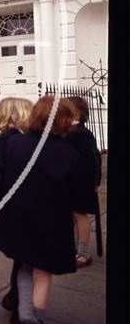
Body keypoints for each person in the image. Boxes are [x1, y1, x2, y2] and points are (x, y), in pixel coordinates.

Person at [0, 96, 92, 324]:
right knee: (42, 275)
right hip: (50, 223)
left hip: (18, 219)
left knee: (25, 266)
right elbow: (81, 197)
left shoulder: (15, 144)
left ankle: (27, 319)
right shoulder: (69, 153)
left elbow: (3, 179)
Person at [0, 97, 33, 324]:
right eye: (28, 113)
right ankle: (18, 308)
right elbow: (5, 181)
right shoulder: (12, 144)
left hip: (9, 206)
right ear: (15, 117)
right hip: (15, 207)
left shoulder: (8, 141)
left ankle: (14, 298)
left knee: (22, 257)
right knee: (24, 257)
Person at [66, 96, 103, 268]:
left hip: (82, 183)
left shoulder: (81, 133)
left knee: (81, 216)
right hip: (71, 182)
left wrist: (95, 181)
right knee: (73, 216)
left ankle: (84, 253)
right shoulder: (70, 131)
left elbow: (94, 159)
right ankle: (74, 248)